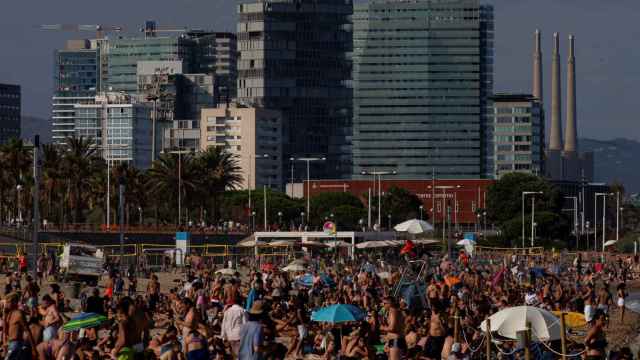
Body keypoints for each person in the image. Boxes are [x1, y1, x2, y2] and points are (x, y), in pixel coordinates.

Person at [3, 293, 37, 360]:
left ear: (14, 302)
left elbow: (27, 331)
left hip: (16, 343)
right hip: (11, 343)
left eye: (8, 302)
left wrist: (33, 348)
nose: (6, 304)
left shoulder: (19, 314)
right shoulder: (9, 314)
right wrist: (5, 316)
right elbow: (5, 331)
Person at [381, 296, 405, 360]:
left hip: (396, 341)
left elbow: (392, 328)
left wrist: (382, 328)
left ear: (390, 303)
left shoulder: (392, 311)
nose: (383, 305)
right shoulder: (396, 311)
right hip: (395, 340)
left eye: (385, 303)